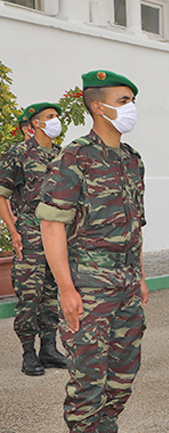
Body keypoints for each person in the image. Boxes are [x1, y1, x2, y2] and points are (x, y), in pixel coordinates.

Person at [39, 69, 147, 432]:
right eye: (123, 101)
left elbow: (136, 226)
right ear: (99, 107)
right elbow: (52, 225)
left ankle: (107, 424)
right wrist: (66, 289)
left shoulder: (132, 160)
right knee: (87, 382)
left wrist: (141, 277)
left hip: (127, 285)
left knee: (123, 374)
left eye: (132, 101)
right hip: (89, 288)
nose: (131, 108)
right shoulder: (75, 158)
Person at [0, 102, 66, 377]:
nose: (55, 121)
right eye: (49, 117)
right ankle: (29, 352)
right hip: (29, 230)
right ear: (35, 123)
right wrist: (14, 232)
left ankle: (48, 349)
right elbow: (2, 194)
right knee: (30, 294)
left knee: (52, 293)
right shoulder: (19, 153)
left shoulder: (62, 155)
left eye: (56, 117)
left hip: (58, 232)